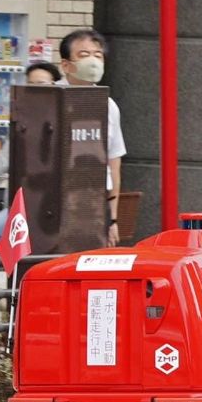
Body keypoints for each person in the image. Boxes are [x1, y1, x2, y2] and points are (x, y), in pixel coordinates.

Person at [59, 28, 128, 247]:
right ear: (66, 65)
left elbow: (114, 165)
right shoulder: (50, 100)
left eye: (98, 55)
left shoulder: (109, 106)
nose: (93, 61)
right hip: (59, 203)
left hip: (97, 204)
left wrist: (113, 218)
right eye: (83, 55)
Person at [0, 62, 63, 245]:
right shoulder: (22, 120)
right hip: (21, 203)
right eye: (30, 85)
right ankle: (13, 272)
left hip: (52, 204)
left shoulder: (63, 118)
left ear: (55, 86)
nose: (34, 90)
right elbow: (3, 161)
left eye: (41, 85)